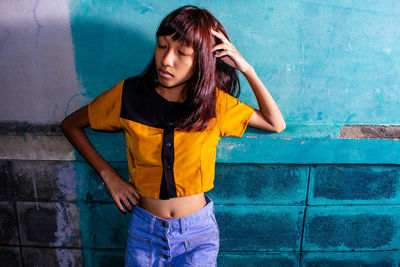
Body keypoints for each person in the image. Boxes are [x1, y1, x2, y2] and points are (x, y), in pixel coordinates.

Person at [61, 5, 285, 267]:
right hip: (145, 231)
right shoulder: (128, 95)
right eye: (162, 46)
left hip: (197, 234)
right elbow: (71, 125)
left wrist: (246, 68)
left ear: (202, 59)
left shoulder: (215, 104)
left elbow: (275, 123)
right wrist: (109, 175)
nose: (166, 60)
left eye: (182, 52)